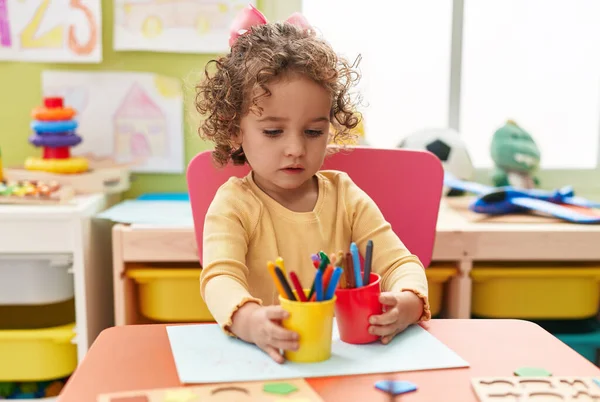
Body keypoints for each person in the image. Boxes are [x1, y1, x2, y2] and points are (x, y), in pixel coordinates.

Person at [195, 4, 430, 364]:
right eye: (273, 131)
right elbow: (219, 278)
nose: (295, 149)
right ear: (234, 130)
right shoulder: (233, 205)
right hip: (265, 361)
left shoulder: (345, 196)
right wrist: (250, 321)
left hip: (342, 363)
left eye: (313, 132)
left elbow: (400, 264)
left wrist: (408, 302)